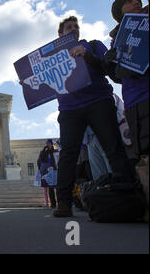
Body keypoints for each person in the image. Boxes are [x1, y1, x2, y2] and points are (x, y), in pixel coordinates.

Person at [52, 16, 136, 218]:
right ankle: (63, 202)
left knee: (113, 146)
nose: (74, 29)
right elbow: (43, 83)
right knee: (68, 155)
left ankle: (127, 195)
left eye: (76, 27)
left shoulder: (93, 46)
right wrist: (29, 82)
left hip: (98, 102)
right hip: (70, 108)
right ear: (60, 34)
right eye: (69, 27)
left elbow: (110, 69)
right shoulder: (53, 58)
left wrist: (87, 56)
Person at [105, 0, 149, 221]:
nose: (136, 2)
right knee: (144, 151)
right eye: (129, 2)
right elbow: (118, 77)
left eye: (137, 0)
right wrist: (111, 64)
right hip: (136, 99)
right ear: (119, 13)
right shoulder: (117, 39)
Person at [37, 139, 58, 208]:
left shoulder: (55, 151)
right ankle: (53, 203)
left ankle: (60, 202)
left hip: (54, 171)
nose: (48, 144)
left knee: (57, 188)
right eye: (47, 143)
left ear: (52, 144)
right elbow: (40, 161)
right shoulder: (44, 152)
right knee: (50, 188)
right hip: (47, 172)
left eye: (49, 143)